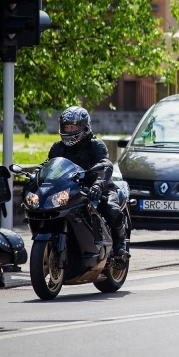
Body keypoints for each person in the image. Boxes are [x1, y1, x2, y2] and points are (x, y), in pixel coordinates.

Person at [48, 106, 129, 258]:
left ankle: (120, 244)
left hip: (99, 187)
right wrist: (36, 176)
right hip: (72, 188)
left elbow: (106, 165)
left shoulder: (95, 145)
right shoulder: (58, 148)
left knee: (111, 209)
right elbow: (48, 166)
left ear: (84, 127)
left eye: (73, 127)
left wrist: (98, 184)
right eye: (66, 126)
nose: (69, 130)